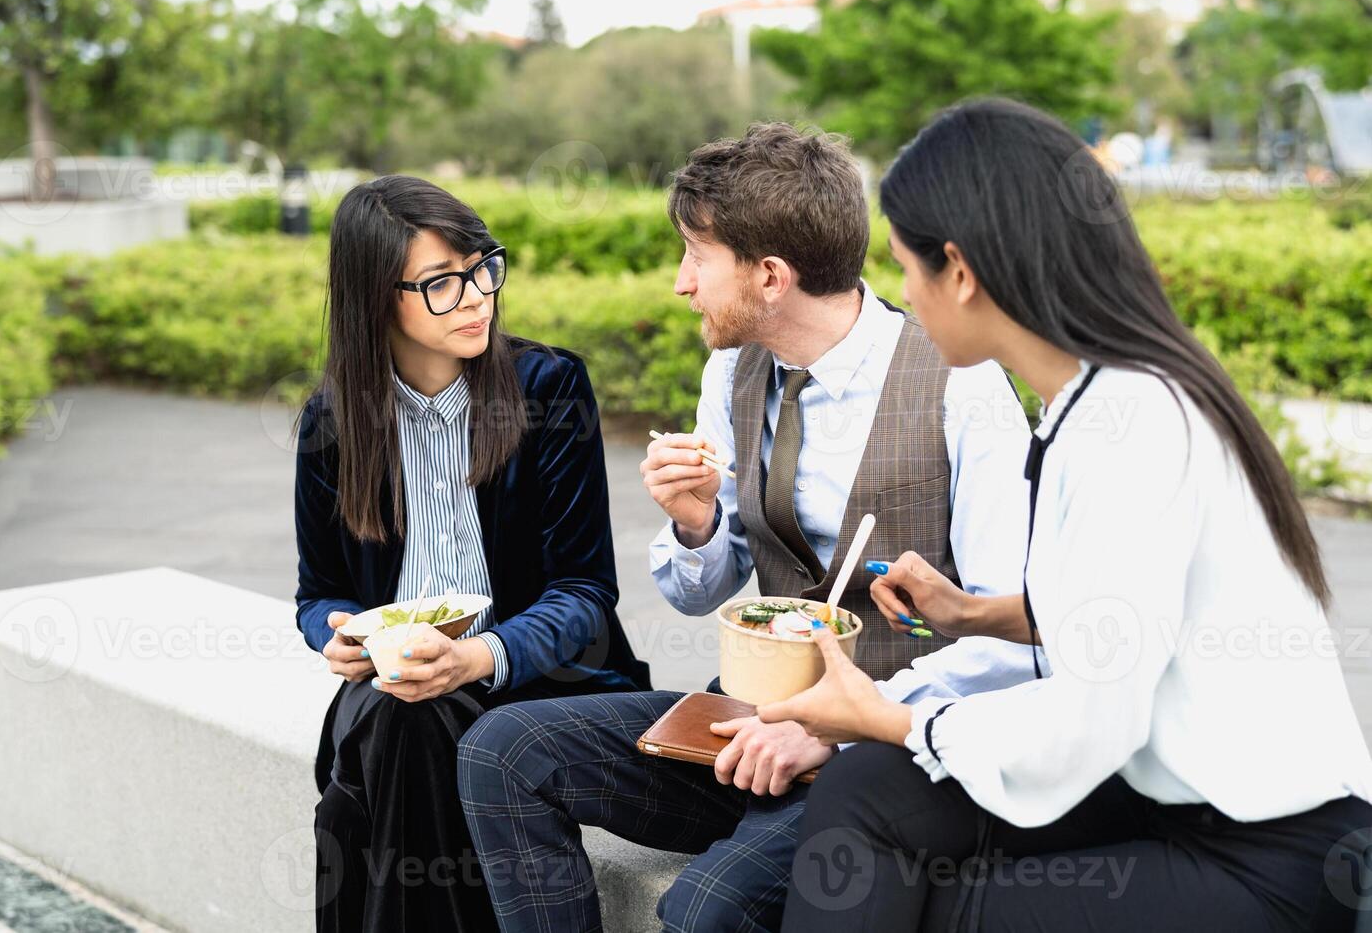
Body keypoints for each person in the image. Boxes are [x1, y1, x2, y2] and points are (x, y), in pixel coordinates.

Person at [759, 98, 1372, 932]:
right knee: (871, 791)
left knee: (943, 901)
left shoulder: (1135, 423)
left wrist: (887, 717)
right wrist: (977, 615)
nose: (900, 296)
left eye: (906, 268)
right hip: (1158, 793)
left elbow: (1094, 718)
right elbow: (1133, 621)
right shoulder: (1094, 400)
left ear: (963, 272)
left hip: (1273, 854)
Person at [456, 123, 1039, 932]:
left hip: (887, 750)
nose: (680, 283)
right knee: (501, 751)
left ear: (770, 276)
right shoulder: (732, 367)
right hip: (753, 724)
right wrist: (695, 525)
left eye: (697, 257)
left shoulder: (963, 388)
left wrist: (841, 730)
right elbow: (701, 593)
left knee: (704, 912)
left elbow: (1016, 642)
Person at [293, 175, 651, 932]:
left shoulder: (546, 389)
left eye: (484, 267)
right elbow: (318, 593)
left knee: (411, 728)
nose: (477, 296)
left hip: (540, 677)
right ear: (373, 297)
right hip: (401, 678)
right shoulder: (333, 421)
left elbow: (585, 593)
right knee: (408, 715)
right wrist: (344, 633)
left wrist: (476, 655)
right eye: (441, 284)